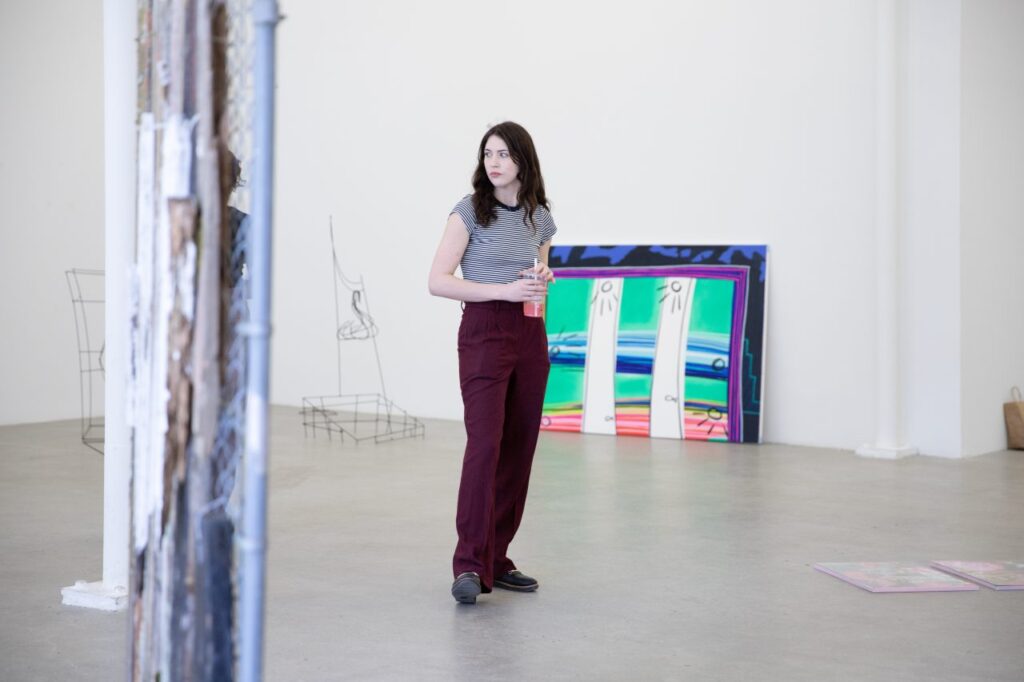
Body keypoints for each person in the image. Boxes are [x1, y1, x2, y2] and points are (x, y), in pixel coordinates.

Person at [428, 122, 557, 604]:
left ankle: (496, 558)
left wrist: (545, 273)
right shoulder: (468, 213)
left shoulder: (539, 216)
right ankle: (468, 566)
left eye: (503, 154)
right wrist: (502, 291)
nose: (494, 162)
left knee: (519, 448)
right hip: (484, 331)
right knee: (484, 445)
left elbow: (539, 270)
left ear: (523, 160)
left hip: (529, 333)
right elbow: (438, 280)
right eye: (487, 154)